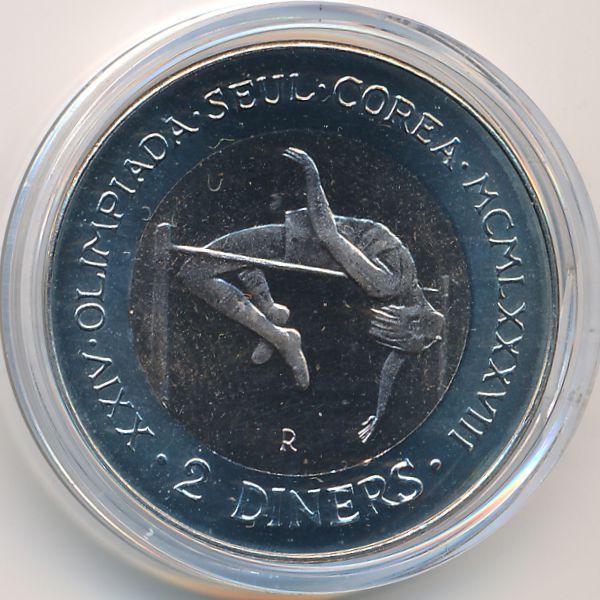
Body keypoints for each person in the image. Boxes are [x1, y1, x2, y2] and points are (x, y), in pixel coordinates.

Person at [178, 147, 444, 441]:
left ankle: (280, 337)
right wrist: (381, 413)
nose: (389, 326)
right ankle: (270, 314)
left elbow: (329, 234)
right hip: (300, 235)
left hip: (297, 242)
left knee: (193, 272)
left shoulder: (390, 283)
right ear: (414, 317)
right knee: (230, 263)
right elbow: (397, 359)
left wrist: (312, 175)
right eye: (398, 332)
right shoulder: (402, 279)